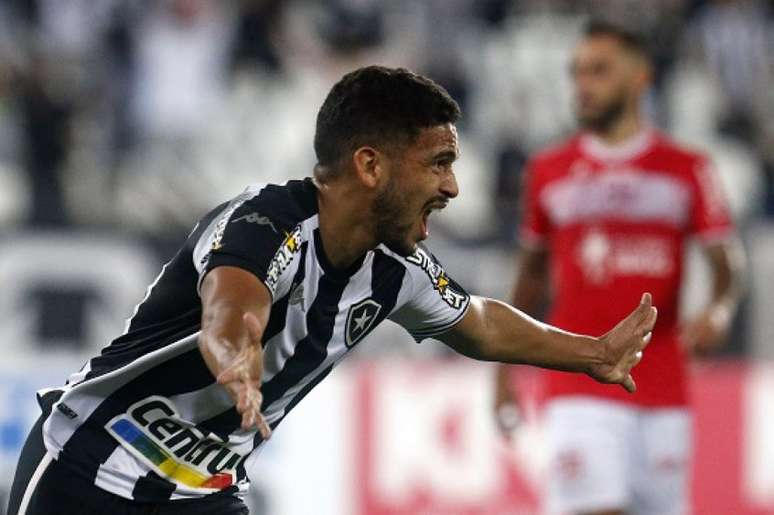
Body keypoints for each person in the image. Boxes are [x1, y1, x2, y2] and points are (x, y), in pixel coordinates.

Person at [8, 65, 657, 515]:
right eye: (437, 162)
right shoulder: (266, 220)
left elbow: (479, 320)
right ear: (371, 165)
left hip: (197, 492)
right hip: (84, 463)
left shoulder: (395, 268)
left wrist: (591, 353)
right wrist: (236, 356)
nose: (453, 186)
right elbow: (232, 302)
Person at [493, 21, 744, 515]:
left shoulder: (686, 169)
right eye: (578, 72)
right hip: (578, 382)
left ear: (639, 78)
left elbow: (725, 263)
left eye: (599, 71)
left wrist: (719, 310)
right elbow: (530, 279)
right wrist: (502, 374)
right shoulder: (549, 171)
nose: (583, 85)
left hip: (665, 390)